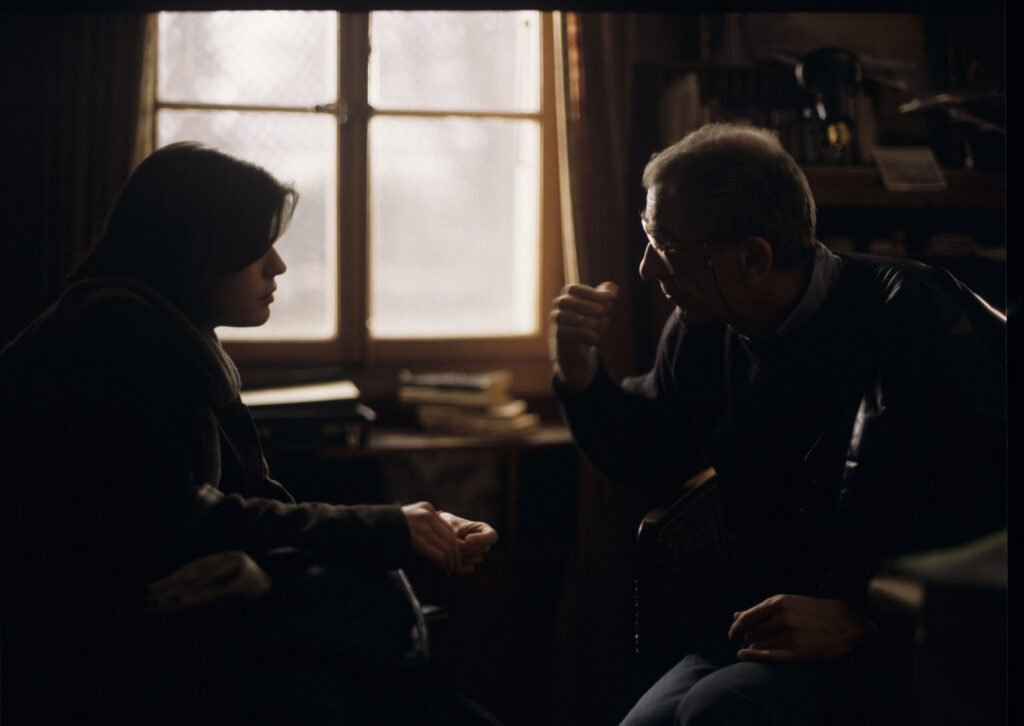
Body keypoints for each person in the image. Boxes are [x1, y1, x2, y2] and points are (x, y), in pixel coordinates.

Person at [0, 142, 500, 725]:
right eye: (253, 245)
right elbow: (185, 518)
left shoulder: (159, 329)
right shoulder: (119, 338)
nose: (277, 265)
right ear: (195, 249)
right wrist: (388, 529)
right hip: (99, 666)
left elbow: (241, 504)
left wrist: (410, 526)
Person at [549, 123, 1006, 725]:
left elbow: (985, 528)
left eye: (668, 249)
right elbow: (648, 448)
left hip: (892, 639)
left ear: (752, 258)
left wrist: (864, 616)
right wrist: (580, 374)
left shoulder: (912, 319)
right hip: (758, 624)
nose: (645, 270)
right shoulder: (700, 330)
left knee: (717, 712)